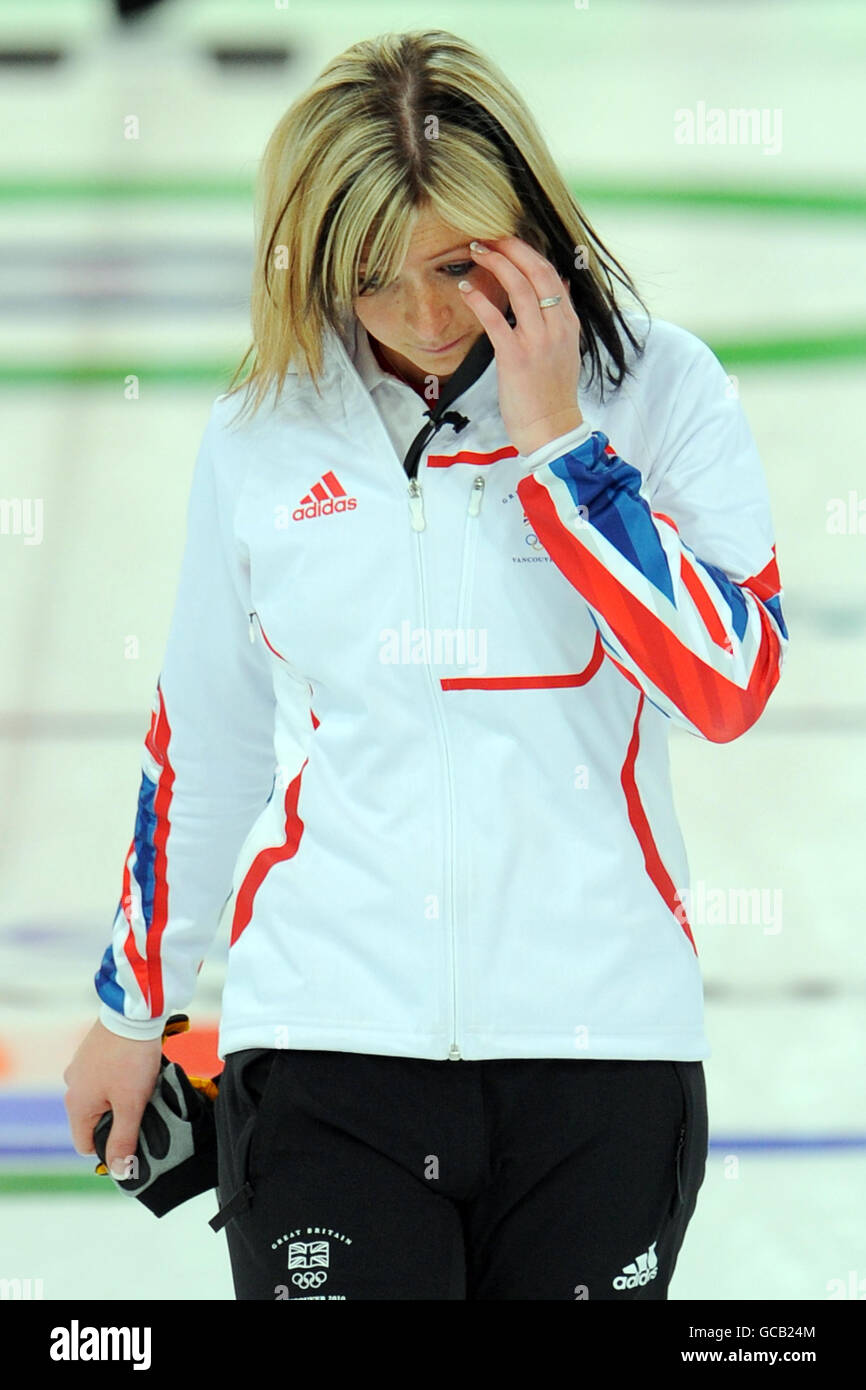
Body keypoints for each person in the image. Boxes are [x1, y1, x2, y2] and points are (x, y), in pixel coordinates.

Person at [63, 28, 789, 1300]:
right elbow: (206, 740)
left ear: (529, 229)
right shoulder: (261, 434)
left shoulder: (660, 391)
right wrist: (134, 1010)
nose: (426, 318)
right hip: (324, 1050)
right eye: (372, 279)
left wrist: (562, 448)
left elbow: (727, 685)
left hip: (601, 1054)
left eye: (458, 266)